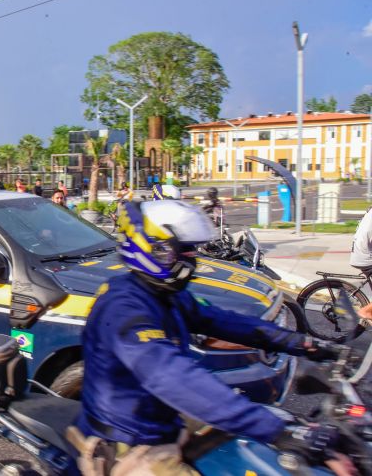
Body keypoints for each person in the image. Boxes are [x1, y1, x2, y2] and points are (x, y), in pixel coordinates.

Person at [72, 200, 344, 475]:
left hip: (161, 422)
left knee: (263, 437)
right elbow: (172, 377)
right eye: (186, 250)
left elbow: (224, 321)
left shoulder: (162, 294)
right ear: (156, 250)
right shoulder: (125, 308)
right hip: (130, 446)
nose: (194, 258)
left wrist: (304, 344)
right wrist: (278, 432)